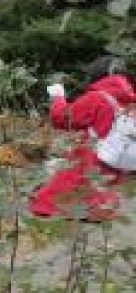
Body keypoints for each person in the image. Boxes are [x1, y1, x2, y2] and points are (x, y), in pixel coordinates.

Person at [30, 56, 136, 220]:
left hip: (92, 159)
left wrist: (57, 97)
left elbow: (62, 118)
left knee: (49, 198)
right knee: (99, 188)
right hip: (118, 162)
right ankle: (99, 209)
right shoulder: (130, 100)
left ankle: (76, 209)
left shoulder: (98, 97)